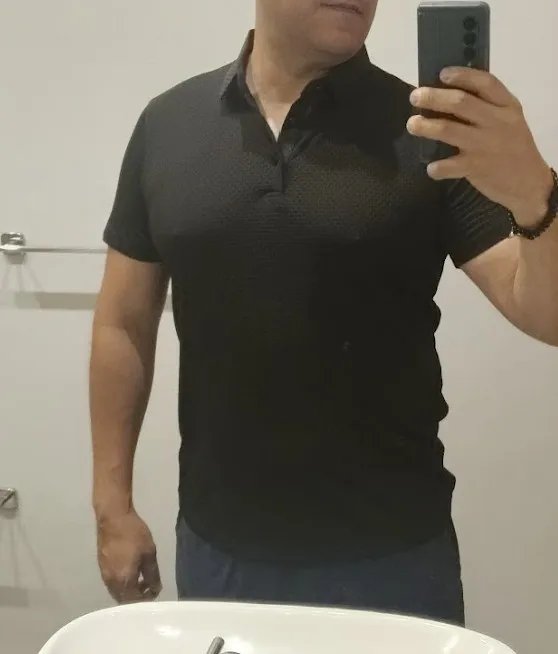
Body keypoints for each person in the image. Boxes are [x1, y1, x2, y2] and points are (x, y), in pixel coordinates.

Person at [90, 0, 558, 625]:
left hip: (393, 557)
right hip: (217, 548)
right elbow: (122, 322)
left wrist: (537, 196)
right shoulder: (167, 124)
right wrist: (111, 506)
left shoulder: (429, 127)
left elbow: (546, 313)